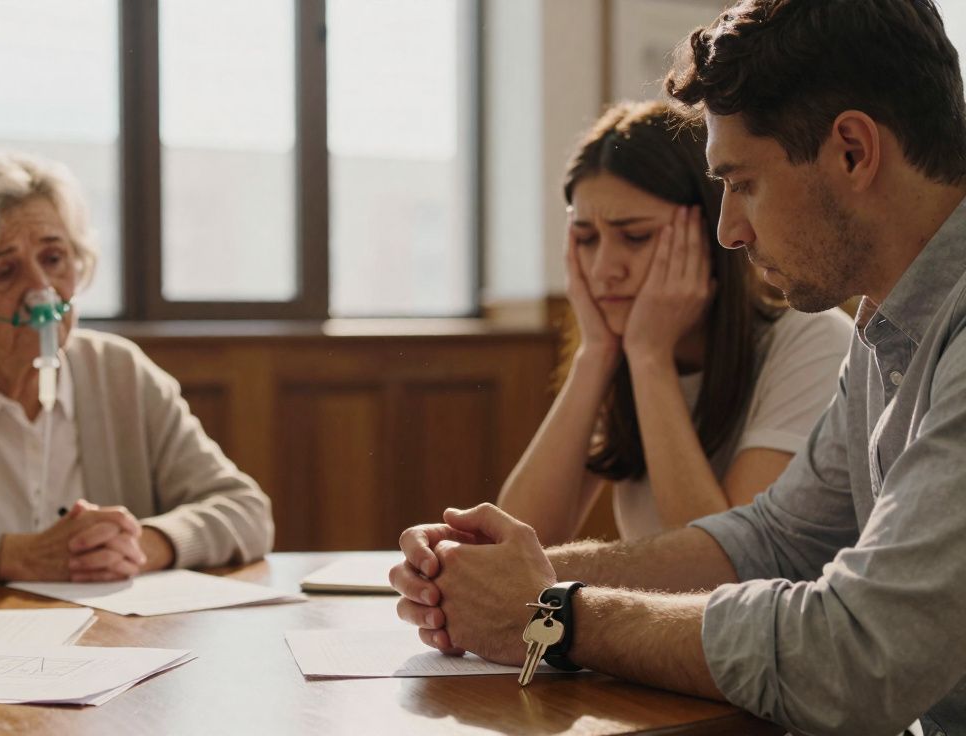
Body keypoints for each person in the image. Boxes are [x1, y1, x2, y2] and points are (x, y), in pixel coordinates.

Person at [392, 0, 966, 733]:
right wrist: (506, 573)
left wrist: (553, 614)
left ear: (853, 151)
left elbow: (858, 656)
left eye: (743, 182)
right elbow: (770, 541)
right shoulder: (886, 324)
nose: (729, 229)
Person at [0, 151, 275, 586]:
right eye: (5, 271)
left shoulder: (120, 374)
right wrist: (11, 556)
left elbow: (246, 510)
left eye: (53, 259)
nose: (42, 293)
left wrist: (143, 545)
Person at [497, 100, 850, 545]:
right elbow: (517, 544)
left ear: (711, 234)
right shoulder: (616, 352)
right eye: (585, 239)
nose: (605, 268)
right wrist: (595, 355)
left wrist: (649, 360)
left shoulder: (814, 344)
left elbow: (728, 571)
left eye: (636, 236)